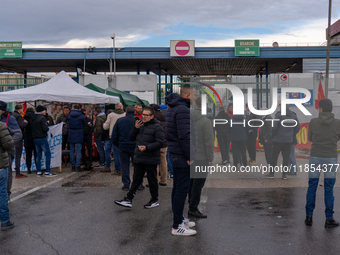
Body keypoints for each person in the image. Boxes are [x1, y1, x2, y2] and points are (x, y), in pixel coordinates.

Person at [114, 106, 164, 209]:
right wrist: (135, 128)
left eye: (146, 115)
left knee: (152, 180)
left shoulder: (157, 126)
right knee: (136, 179)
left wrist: (147, 147)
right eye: (143, 115)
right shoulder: (140, 125)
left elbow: (160, 142)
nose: (144, 117)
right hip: (139, 157)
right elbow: (131, 137)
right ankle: (128, 199)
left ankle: (155, 199)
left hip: (150, 157)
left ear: (152, 116)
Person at [165, 84, 197, 236]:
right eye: (195, 94)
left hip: (175, 153)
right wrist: (190, 156)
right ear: (189, 94)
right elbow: (185, 135)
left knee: (177, 187)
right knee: (182, 189)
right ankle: (177, 225)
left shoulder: (173, 108)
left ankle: (179, 218)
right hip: (182, 155)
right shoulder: (183, 109)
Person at [305, 99, 340, 228]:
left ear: (320, 109)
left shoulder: (314, 122)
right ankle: (329, 218)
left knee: (312, 186)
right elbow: (337, 137)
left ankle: (309, 217)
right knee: (329, 189)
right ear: (331, 109)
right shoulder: (337, 123)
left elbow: (310, 138)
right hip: (331, 157)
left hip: (315, 156)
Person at [188, 97, 214, 218]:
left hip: (189, 156)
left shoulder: (187, 119)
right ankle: (193, 208)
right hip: (202, 157)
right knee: (198, 184)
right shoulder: (205, 121)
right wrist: (210, 158)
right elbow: (209, 142)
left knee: (191, 182)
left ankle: (190, 203)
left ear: (194, 104)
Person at [265, 104, 300, 179]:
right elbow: (297, 127)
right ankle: (284, 175)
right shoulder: (293, 115)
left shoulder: (279, 115)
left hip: (278, 139)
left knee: (274, 157)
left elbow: (274, 127)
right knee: (286, 158)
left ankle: (271, 174)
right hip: (288, 140)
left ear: (281, 107)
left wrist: (273, 135)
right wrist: (291, 134)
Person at [112, 105, 136, 190]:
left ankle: (126, 184)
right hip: (135, 146)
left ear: (126, 111)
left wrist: (117, 144)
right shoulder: (138, 121)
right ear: (134, 112)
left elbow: (114, 135)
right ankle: (138, 184)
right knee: (137, 166)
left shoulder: (120, 121)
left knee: (125, 165)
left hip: (123, 145)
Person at [0, 101, 21, 199]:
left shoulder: (10, 118)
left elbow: (18, 134)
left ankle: (7, 193)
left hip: (8, 150)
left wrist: (8, 143)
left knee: (7, 171)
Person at [31, 105, 57, 177]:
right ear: (41, 111)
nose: (45, 111)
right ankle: (47, 172)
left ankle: (38, 171)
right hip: (42, 138)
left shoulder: (32, 118)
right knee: (47, 154)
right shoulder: (42, 118)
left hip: (35, 138)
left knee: (38, 155)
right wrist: (47, 124)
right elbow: (45, 129)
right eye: (44, 110)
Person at [0, 120, 15, 231]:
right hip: (0, 164)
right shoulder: (1, 126)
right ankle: (5, 220)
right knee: (2, 193)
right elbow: (8, 143)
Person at [102, 103, 125, 174]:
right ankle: (121, 168)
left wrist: (104, 124)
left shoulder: (111, 115)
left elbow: (105, 127)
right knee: (121, 153)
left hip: (113, 136)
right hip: (123, 136)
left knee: (115, 153)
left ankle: (117, 169)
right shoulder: (125, 114)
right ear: (121, 107)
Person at [150, 103, 167, 186]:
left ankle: (155, 180)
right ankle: (163, 180)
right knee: (163, 162)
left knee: (154, 163)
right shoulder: (165, 117)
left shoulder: (152, 119)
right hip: (164, 143)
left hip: (154, 143)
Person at [11, 104, 28, 178]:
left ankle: (10, 171)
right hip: (18, 138)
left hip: (11, 137)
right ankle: (17, 172)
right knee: (18, 155)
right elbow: (22, 125)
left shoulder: (11, 115)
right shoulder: (18, 116)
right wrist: (26, 122)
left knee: (11, 155)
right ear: (20, 109)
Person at [68, 104, 85, 172]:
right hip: (79, 133)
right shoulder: (81, 116)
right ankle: (78, 166)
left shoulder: (69, 115)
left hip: (71, 133)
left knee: (72, 150)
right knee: (78, 150)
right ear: (80, 109)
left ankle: (72, 166)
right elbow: (84, 124)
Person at [23, 108, 37, 174]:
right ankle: (38, 168)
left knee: (28, 155)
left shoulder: (24, 119)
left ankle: (28, 168)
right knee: (36, 155)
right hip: (34, 138)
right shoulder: (35, 119)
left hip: (27, 139)